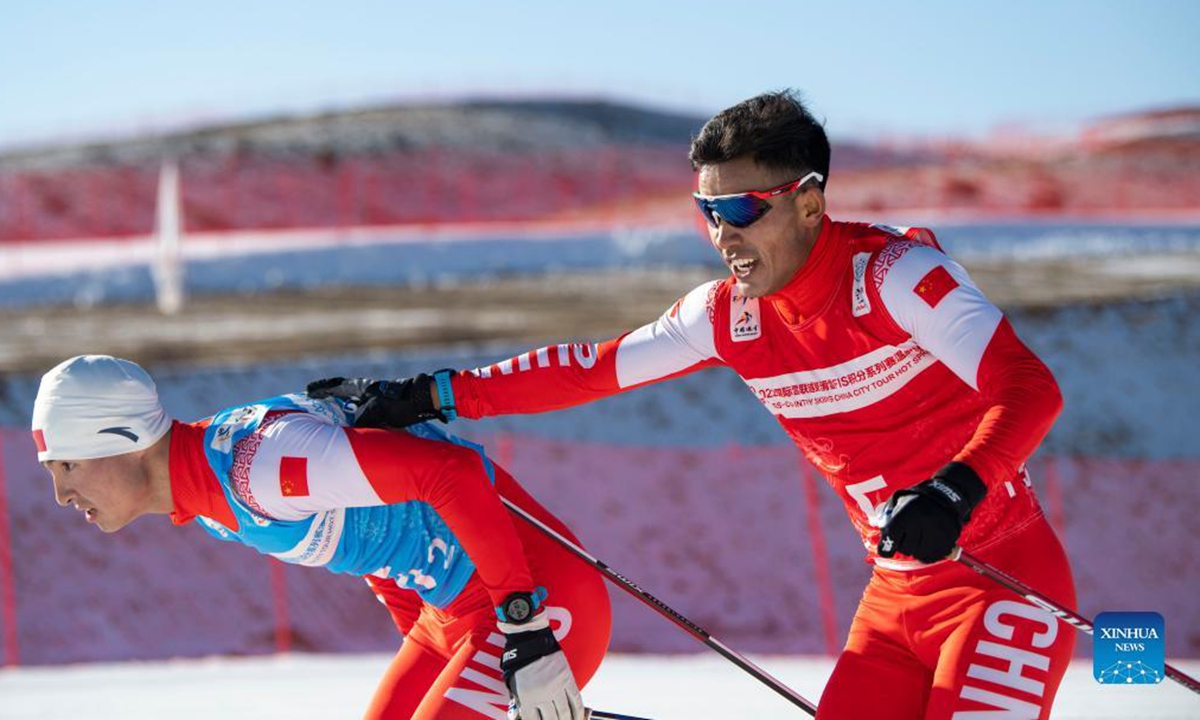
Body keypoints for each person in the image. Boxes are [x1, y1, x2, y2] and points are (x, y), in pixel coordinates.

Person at [309, 90, 1077, 720]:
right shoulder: (729, 315)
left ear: (808, 203)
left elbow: (1029, 386)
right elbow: (593, 369)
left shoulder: (893, 275)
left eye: (742, 209)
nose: (721, 234)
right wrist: (437, 393)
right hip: (894, 604)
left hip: (1002, 586)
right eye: (706, 211)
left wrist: (957, 487)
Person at [32, 354, 610, 720]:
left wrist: (522, 626)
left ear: (123, 439)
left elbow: (450, 473)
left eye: (69, 466)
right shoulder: (208, 494)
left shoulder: (258, 467)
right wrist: (424, 632)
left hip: (536, 598)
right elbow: (372, 534)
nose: (61, 494)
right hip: (455, 614)